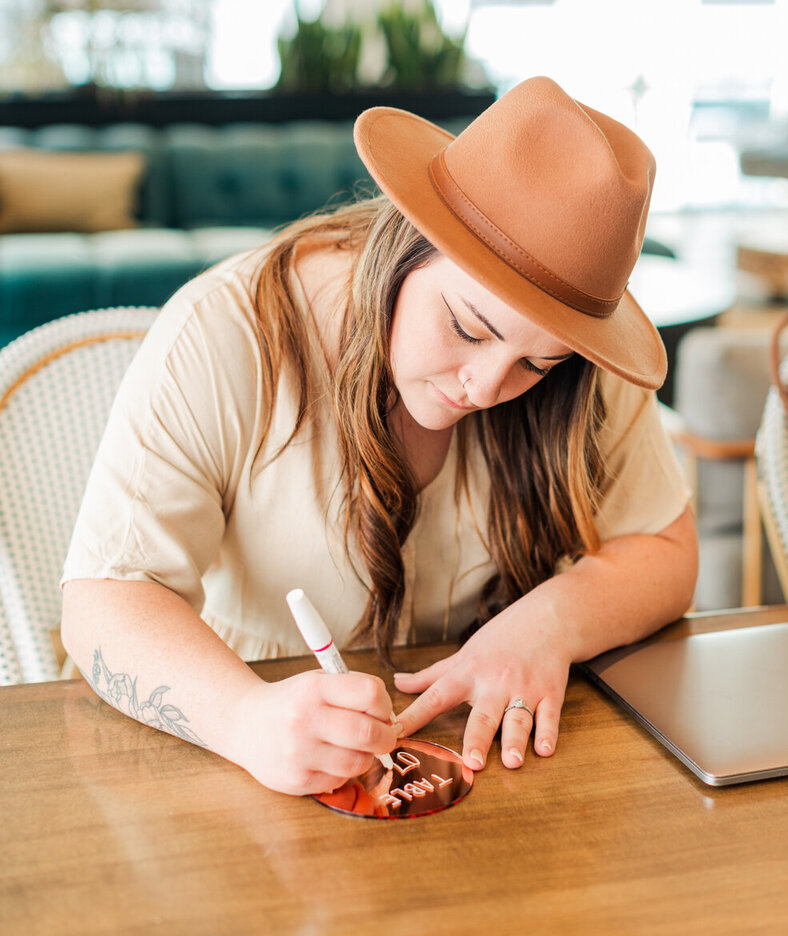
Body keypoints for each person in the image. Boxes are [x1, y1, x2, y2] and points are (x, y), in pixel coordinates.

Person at [61, 76, 697, 797]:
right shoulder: (226, 333)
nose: (486, 388)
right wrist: (243, 719)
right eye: (467, 326)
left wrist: (553, 621)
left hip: (491, 778)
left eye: (535, 364)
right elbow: (103, 602)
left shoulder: (581, 356)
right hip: (250, 775)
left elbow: (666, 552)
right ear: (404, 241)